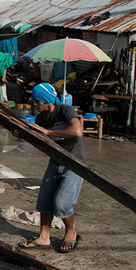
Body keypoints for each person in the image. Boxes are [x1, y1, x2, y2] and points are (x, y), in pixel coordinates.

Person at [18, 83, 85, 253]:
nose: (34, 104)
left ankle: (71, 232)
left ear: (46, 99)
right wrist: (22, 135)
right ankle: (44, 237)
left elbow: (77, 131)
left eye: (37, 100)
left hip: (74, 163)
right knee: (44, 201)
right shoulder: (41, 119)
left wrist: (49, 132)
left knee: (62, 204)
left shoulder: (65, 110)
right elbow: (42, 141)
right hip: (55, 162)